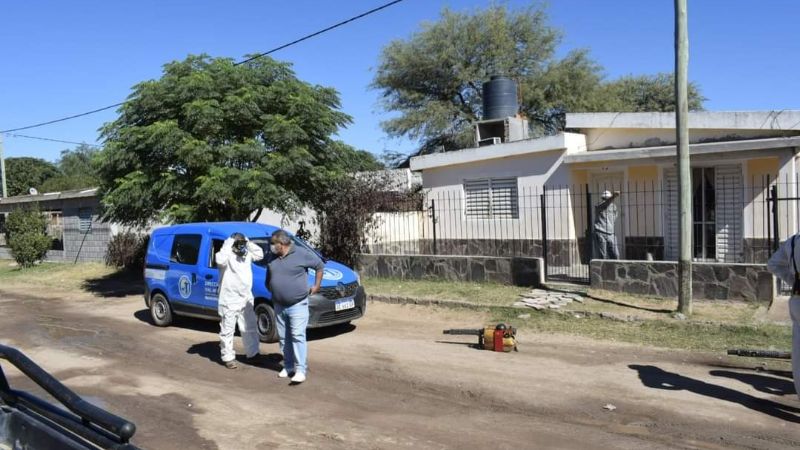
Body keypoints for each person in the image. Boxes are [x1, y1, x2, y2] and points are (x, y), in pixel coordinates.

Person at [266, 229, 324, 384]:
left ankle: (300, 370)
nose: (271, 246)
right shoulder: (272, 257)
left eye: (273, 243)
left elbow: (319, 265)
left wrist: (316, 286)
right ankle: (288, 366)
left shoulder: (301, 253)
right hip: (279, 304)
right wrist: (273, 289)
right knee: (284, 338)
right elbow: (269, 276)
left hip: (297, 304)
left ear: (282, 244)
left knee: (297, 336)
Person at [215, 232, 264, 369]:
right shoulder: (226, 255)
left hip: (246, 297)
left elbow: (260, 254)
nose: (240, 246)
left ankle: (253, 353)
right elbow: (219, 260)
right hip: (229, 298)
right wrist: (229, 241)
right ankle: (228, 357)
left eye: (242, 244)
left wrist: (247, 241)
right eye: (239, 243)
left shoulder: (246, 254)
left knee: (249, 327)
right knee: (228, 329)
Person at [766, 234, 800, 401]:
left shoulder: (793, 242)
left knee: (798, 351)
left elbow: (772, 264)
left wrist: (792, 279)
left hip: (797, 300)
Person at [593, 190, 621, 260]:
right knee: (602, 255)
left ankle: (614, 270)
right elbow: (606, 203)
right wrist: (614, 196)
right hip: (600, 232)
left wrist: (610, 225)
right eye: (604, 198)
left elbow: (615, 216)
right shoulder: (599, 206)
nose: (606, 200)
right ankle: (603, 270)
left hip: (611, 233)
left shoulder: (614, 207)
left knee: (615, 255)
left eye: (607, 198)